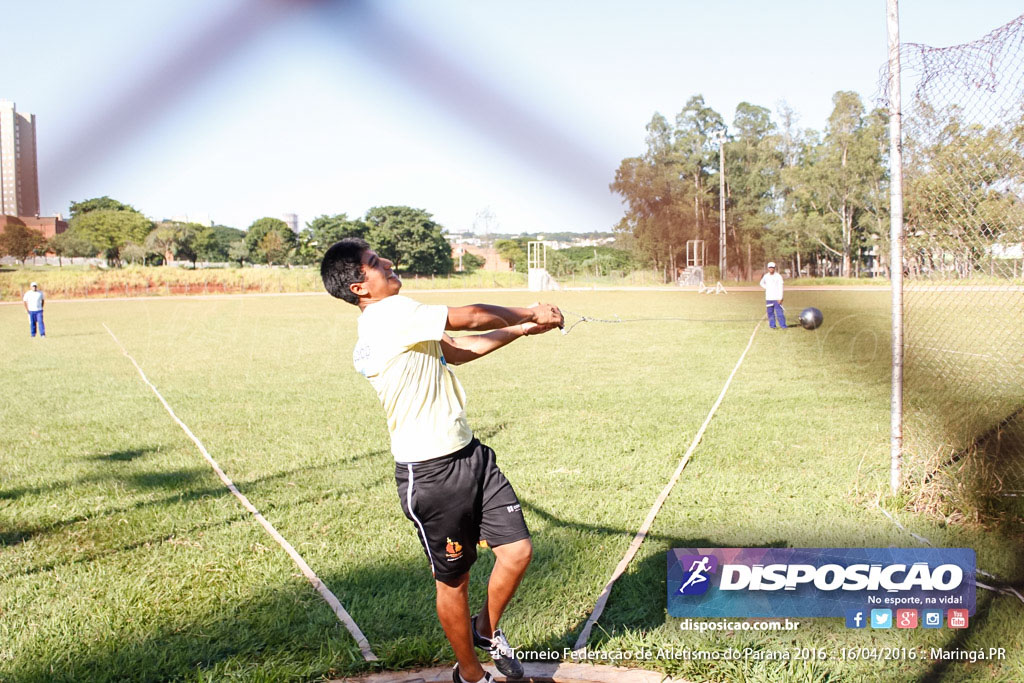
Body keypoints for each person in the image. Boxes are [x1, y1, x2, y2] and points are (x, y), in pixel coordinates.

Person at [320, 238, 563, 682]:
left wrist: (521, 331)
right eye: (375, 263)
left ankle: (485, 632)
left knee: (517, 551)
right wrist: (529, 311)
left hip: (471, 455)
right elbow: (468, 316)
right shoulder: (387, 315)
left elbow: (458, 350)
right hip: (430, 474)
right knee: (455, 580)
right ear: (360, 287)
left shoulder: (397, 322)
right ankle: (470, 674)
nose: (388, 262)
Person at [759, 262, 787, 329]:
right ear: (768, 268)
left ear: (774, 268)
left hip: (777, 298)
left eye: (772, 267)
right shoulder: (766, 276)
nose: (771, 269)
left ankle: (783, 326)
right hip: (769, 298)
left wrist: (780, 297)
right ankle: (772, 326)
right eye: (770, 267)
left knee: (779, 312)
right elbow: (761, 283)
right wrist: (767, 288)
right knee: (770, 313)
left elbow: (781, 287)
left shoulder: (778, 276)